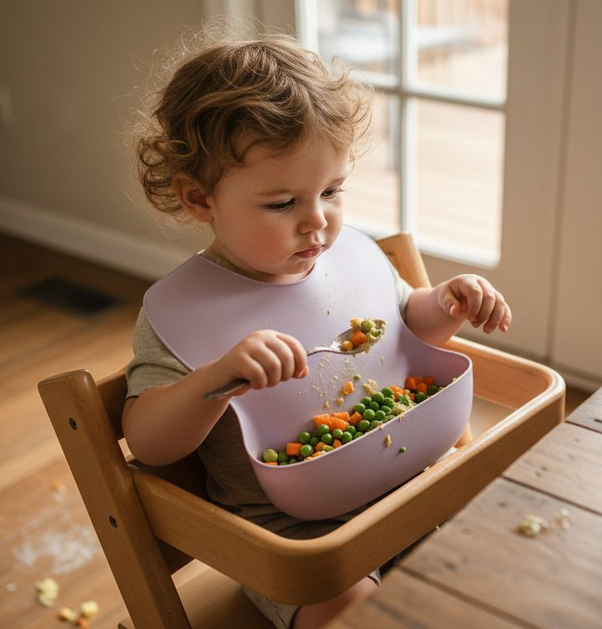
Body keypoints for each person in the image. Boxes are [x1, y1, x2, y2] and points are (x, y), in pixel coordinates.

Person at [124, 31, 512, 629]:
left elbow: (406, 329)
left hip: (409, 480)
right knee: (353, 615)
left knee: (502, 566)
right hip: (291, 535)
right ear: (199, 199)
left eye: (331, 191)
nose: (317, 222)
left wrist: (447, 303)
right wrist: (217, 378)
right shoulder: (180, 311)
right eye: (282, 204)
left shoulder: (352, 259)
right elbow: (147, 442)